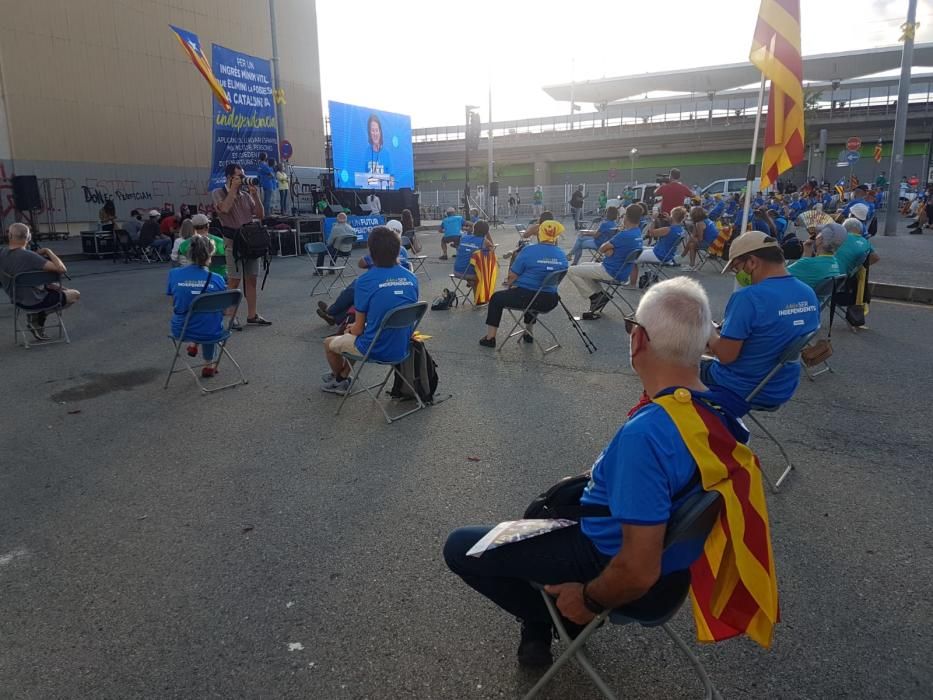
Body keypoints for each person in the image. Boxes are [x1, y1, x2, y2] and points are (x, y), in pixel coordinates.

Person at [446, 277, 747, 667]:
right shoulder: (721, 411)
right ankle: (538, 627)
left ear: (638, 340)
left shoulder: (649, 433)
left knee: (459, 546)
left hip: (606, 560)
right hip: (674, 567)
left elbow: (638, 569)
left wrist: (588, 600)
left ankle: (558, 621)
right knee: (539, 511)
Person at [704, 231, 820, 415]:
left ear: (751, 262)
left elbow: (726, 356)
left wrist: (708, 330)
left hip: (740, 386)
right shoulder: (807, 292)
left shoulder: (748, 297)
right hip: (780, 385)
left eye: (737, 267)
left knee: (667, 364)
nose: (738, 274)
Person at [321, 226, 419, 394]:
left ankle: (339, 379)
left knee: (331, 342)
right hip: (403, 345)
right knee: (356, 335)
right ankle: (341, 375)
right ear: (398, 250)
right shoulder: (411, 277)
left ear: (371, 252)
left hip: (376, 348)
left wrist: (351, 329)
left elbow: (358, 329)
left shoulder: (365, 281)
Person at [478, 219, 567, 348]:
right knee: (535, 294)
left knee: (497, 298)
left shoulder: (529, 250)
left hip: (527, 296)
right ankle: (528, 332)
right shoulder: (561, 254)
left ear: (539, 234)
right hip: (550, 300)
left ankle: (490, 338)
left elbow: (512, 276)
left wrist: (510, 285)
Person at [0, 223, 80, 341]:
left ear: (10, 235)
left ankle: (36, 316)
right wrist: (48, 252)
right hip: (35, 302)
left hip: (17, 300)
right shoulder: (31, 257)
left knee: (59, 288)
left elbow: (18, 260)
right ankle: (40, 315)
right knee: (75, 294)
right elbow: (61, 269)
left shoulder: (2, 253)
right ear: (29, 238)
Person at [211, 162, 268, 327]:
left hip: (249, 242)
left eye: (243, 176)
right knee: (234, 280)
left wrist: (255, 195)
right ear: (229, 177)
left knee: (251, 280)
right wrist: (233, 190)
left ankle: (252, 315)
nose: (243, 179)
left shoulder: (245, 195)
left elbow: (260, 214)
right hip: (233, 243)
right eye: (240, 176)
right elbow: (224, 209)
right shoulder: (218, 193)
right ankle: (230, 316)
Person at [566, 204, 643, 319]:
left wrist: (609, 250)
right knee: (584, 265)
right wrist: (610, 250)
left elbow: (602, 248)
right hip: (621, 271)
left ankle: (593, 297)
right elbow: (608, 249)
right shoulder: (638, 234)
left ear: (626, 217)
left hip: (610, 270)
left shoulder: (624, 235)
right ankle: (600, 295)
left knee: (570, 270)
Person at [315, 234, 411, 326]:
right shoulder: (411, 278)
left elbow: (361, 264)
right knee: (360, 291)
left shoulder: (378, 255)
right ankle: (335, 318)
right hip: (404, 318)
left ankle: (331, 311)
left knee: (355, 291)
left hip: (377, 326)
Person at [166, 235, 227, 379]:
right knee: (210, 319)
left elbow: (174, 300)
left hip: (182, 329)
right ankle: (209, 364)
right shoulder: (217, 279)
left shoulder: (174, 274)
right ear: (210, 253)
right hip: (210, 330)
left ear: (189, 254)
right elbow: (224, 309)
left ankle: (194, 344)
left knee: (195, 313)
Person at [633, 206, 687, 276]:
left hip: (659, 255)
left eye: (671, 215)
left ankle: (632, 284)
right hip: (667, 254)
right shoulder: (681, 230)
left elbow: (651, 233)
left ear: (673, 217)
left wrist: (653, 220)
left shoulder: (668, 229)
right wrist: (669, 219)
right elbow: (674, 225)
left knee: (632, 258)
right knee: (639, 249)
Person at [788, 222, 843, 290]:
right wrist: (807, 251)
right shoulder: (835, 262)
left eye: (818, 234)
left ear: (820, 240)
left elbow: (779, 274)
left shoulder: (808, 263)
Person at [178, 214, 227, 279]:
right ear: (208, 226)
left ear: (193, 227)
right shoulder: (221, 242)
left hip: (195, 278)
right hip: (219, 277)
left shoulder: (184, 245)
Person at [452, 220, 493, 291]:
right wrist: (487, 234)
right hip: (470, 274)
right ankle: (477, 298)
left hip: (457, 271)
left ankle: (470, 282)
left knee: (471, 261)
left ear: (474, 229)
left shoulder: (464, 237)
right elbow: (492, 250)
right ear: (486, 232)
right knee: (488, 272)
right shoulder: (484, 241)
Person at [257, 152, 276, 216]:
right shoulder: (265, 165)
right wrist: (269, 177)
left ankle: (265, 213)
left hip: (262, 184)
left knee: (264, 200)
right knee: (267, 201)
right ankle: (267, 214)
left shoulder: (259, 165)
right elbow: (271, 175)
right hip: (268, 184)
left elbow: (259, 175)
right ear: (265, 158)